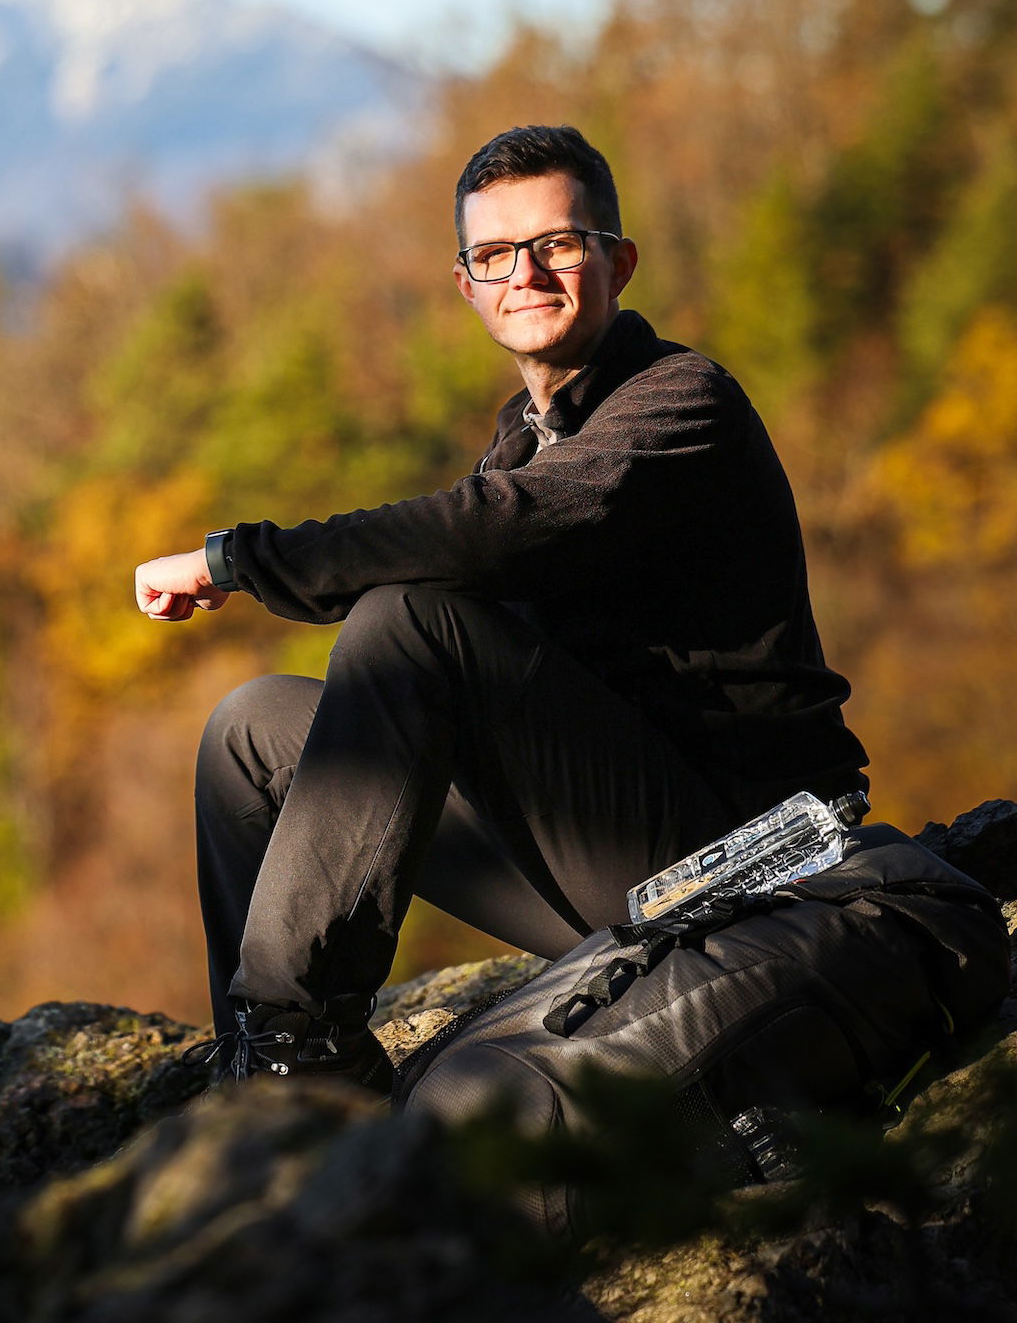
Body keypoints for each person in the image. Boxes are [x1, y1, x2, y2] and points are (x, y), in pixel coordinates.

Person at [133, 125, 869, 1092]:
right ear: (466, 284)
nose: (525, 273)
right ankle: (261, 1058)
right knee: (251, 728)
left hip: (745, 863)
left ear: (618, 263)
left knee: (407, 624)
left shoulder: (682, 402)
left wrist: (240, 559)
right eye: (494, 254)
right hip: (605, 862)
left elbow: (494, 532)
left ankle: (293, 1042)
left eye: (557, 243)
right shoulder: (523, 436)